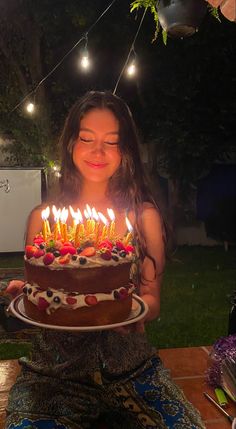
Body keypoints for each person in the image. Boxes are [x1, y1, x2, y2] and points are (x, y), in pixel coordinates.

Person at [5, 91, 205, 429]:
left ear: (125, 150)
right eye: (86, 138)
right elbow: (47, 285)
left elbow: (152, 299)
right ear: (70, 144)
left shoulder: (143, 218)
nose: (98, 151)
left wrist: (137, 310)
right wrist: (31, 297)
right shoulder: (44, 220)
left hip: (131, 367)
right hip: (53, 374)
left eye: (111, 142)